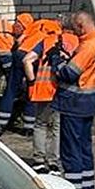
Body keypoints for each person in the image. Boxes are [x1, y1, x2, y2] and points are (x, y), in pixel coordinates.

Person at [51, 10, 95, 189]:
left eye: (75, 28)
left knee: (71, 151)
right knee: (85, 149)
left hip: (74, 103)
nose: (75, 32)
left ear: (81, 25)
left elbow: (70, 73)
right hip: (90, 102)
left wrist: (58, 62)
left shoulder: (89, 45)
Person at [22, 19, 76, 174]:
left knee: (40, 125)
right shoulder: (77, 42)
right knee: (57, 127)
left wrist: (31, 81)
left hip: (43, 89)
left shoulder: (47, 41)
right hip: (62, 90)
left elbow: (26, 60)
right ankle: (53, 163)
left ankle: (38, 161)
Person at [0, 12, 34, 135]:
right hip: (31, 62)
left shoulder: (23, 37)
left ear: (23, 26)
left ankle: (1, 125)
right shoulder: (35, 34)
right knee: (31, 93)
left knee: (11, 91)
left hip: (22, 59)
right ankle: (29, 127)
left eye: (17, 23)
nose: (14, 26)